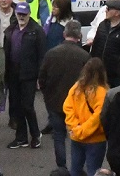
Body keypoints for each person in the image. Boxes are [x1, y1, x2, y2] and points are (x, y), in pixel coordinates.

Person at [38, 20, 88, 169]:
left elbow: (42, 78)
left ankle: (62, 167)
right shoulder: (85, 56)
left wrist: (47, 94)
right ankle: (77, 168)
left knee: (59, 136)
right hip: (77, 104)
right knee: (77, 136)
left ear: (64, 33)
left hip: (54, 101)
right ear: (79, 36)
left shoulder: (51, 53)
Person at [4, 1, 45, 149]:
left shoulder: (37, 31)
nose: (21, 17)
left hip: (29, 74)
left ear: (29, 14)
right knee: (16, 106)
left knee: (27, 106)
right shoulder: (11, 29)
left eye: (24, 14)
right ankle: (21, 138)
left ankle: (35, 134)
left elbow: (42, 55)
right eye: (19, 14)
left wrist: (40, 76)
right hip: (13, 73)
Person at [63, 58, 109, 176]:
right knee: (93, 171)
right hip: (95, 139)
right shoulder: (102, 92)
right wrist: (83, 131)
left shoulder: (76, 87)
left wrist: (75, 128)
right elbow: (98, 117)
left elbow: (68, 107)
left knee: (75, 170)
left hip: (76, 137)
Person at [87, 0, 120, 86]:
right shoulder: (102, 25)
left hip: (116, 77)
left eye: (108, 9)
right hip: (98, 73)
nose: (105, 11)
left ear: (117, 13)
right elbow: (95, 48)